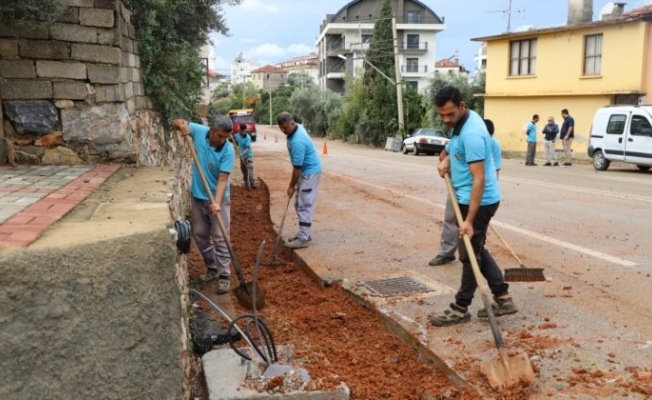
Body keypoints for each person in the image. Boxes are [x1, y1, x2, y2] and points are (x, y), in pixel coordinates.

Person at [429, 85, 517, 327]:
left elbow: (480, 178)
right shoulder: (462, 123)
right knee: (476, 249)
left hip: (478, 202)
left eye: (450, 115)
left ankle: (460, 306)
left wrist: (468, 220)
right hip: (466, 198)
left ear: (462, 106)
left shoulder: (473, 134)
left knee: (468, 254)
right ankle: (502, 297)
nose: (446, 120)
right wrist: (445, 158)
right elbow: (450, 148)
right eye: (442, 115)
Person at [171, 115, 235, 294]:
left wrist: (217, 202)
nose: (223, 140)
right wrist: (181, 125)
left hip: (219, 198)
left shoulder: (228, 151)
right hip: (198, 196)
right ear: (211, 130)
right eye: (220, 136)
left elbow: (223, 180)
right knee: (199, 234)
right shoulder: (199, 132)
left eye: (226, 137)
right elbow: (175, 121)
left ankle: (224, 276)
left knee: (220, 236)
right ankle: (212, 267)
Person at [429, 118, 500, 267]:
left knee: (475, 230)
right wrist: (448, 162)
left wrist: (486, 196)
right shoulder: (465, 137)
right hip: (459, 188)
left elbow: (495, 171)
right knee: (451, 218)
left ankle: (477, 252)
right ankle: (446, 253)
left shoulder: (493, 145)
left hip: (479, 191)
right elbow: (444, 155)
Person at [277, 111, 322, 249]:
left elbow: (297, 168)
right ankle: (304, 233)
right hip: (305, 172)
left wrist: (291, 186)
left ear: (292, 123)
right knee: (299, 204)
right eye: (281, 128)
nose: (284, 131)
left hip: (309, 173)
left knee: (304, 205)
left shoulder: (297, 140)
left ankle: (303, 238)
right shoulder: (295, 129)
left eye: (286, 127)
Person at [234, 123, 256, 189]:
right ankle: (246, 184)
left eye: (244, 131)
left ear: (246, 130)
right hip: (242, 157)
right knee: (244, 170)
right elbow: (234, 141)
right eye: (242, 131)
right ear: (240, 130)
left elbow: (247, 148)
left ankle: (252, 183)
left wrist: (242, 153)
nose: (243, 132)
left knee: (250, 167)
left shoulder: (248, 138)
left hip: (248, 155)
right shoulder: (237, 136)